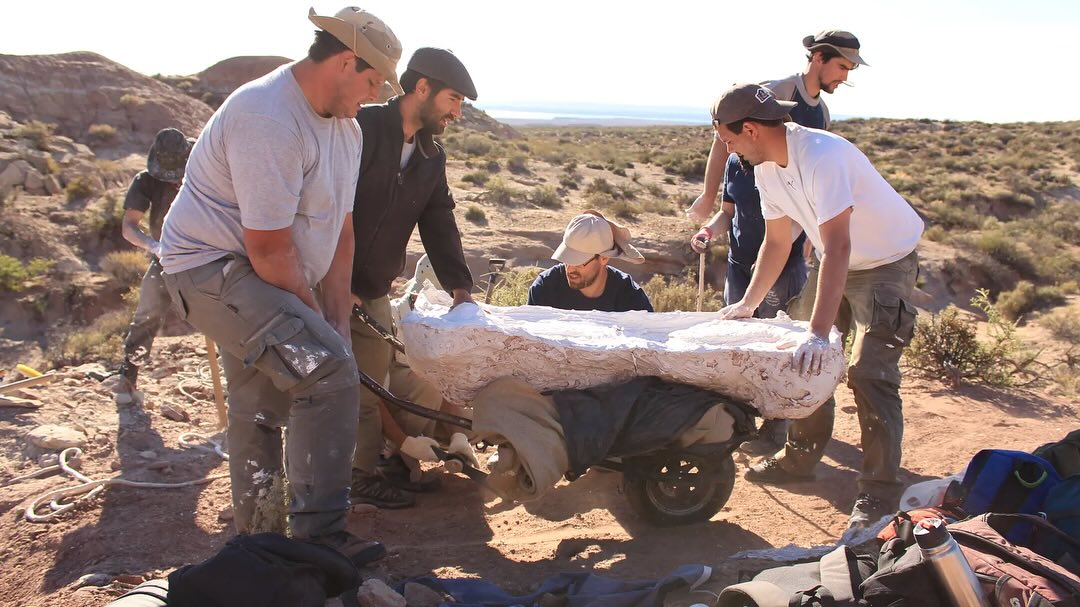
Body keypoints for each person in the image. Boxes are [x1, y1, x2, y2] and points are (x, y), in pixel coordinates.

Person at [156, 6, 403, 565]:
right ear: (345, 62)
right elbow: (268, 250)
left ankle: (260, 546)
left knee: (264, 403)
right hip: (211, 270)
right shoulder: (268, 117)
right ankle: (319, 540)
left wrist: (337, 317)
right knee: (328, 371)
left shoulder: (348, 128)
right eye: (371, 82)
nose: (373, 96)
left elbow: (341, 228)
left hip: (265, 276)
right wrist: (317, 325)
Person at [711, 83, 923, 529]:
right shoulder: (765, 166)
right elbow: (777, 241)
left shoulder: (822, 156)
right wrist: (748, 304)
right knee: (801, 360)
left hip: (885, 264)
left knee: (869, 373)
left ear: (750, 128)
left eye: (729, 141)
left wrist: (818, 332)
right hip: (837, 261)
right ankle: (797, 460)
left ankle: (880, 491)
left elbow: (840, 245)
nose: (730, 150)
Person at [688, 30, 868, 454]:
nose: (845, 76)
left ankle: (789, 425)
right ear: (819, 58)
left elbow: (815, 189)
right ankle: (752, 422)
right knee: (751, 331)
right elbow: (725, 139)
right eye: (842, 66)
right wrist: (710, 195)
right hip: (760, 239)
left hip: (801, 243)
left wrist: (805, 239)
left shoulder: (820, 115)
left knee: (798, 338)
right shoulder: (770, 96)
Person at [348, 47, 478, 509]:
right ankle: (353, 477)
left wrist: (461, 291)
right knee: (344, 384)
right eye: (454, 99)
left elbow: (439, 222)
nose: (458, 112)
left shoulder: (430, 156)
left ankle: (386, 460)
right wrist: (331, 281)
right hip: (323, 282)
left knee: (378, 379)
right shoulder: (359, 129)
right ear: (421, 88)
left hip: (373, 288)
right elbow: (324, 207)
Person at [114, 128, 193, 393]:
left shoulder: (204, 163)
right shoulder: (146, 179)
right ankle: (128, 377)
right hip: (166, 257)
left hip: (207, 254)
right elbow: (129, 226)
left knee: (228, 314)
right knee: (147, 313)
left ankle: (243, 387)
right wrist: (153, 245)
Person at [528, 211, 653, 312]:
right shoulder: (545, 288)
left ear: (604, 258)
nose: (570, 269)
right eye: (567, 259)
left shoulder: (631, 299)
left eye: (578, 262)